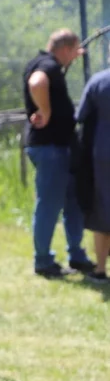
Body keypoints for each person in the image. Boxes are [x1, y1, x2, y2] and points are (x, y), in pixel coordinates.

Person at [23, 29, 96, 278]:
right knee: (49, 204)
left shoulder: (42, 62)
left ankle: (76, 254)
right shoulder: (48, 65)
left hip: (60, 148)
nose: (74, 57)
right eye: (73, 52)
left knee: (72, 202)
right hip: (51, 148)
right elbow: (37, 82)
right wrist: (45, 111)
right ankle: (43, 260)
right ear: (64, 49)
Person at [76, 62, 110, 284]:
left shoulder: (98, 81)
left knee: (103, 207)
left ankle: (100, 269)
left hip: (103, 151)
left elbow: (81, 115)